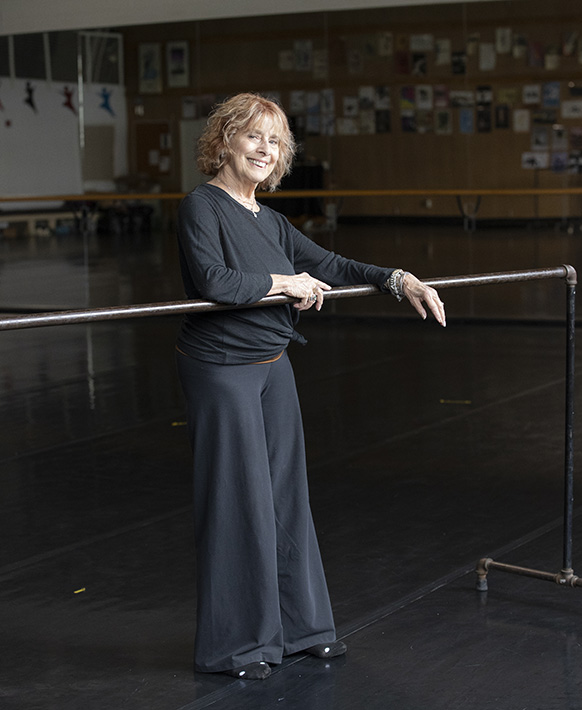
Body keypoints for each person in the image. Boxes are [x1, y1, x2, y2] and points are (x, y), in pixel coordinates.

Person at [176, 92, 446, 681]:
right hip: (222, 368)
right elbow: (214, 279)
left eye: (275, 143)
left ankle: (301, 629)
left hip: (273, 363)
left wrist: (398, 280)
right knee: (239, 503)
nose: (265, 151)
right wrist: (284, 282)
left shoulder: (269, 219)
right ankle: (238, 645)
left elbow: (331, 264)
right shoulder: (203, 206)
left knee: (284, 497)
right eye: (254, 137)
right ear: (224, 140)